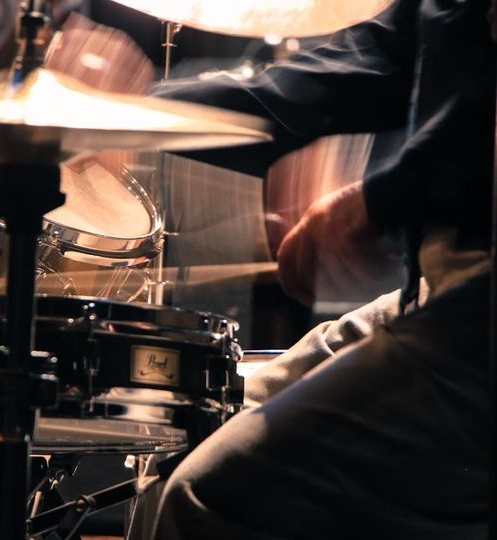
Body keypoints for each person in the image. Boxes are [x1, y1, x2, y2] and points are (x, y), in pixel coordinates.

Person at [150, 0, 495, 537]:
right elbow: (378, 55)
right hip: (442, 290)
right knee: (206, 421)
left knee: (207, 494)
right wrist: (145, 114)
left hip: (479, 311)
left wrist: (380, 202)